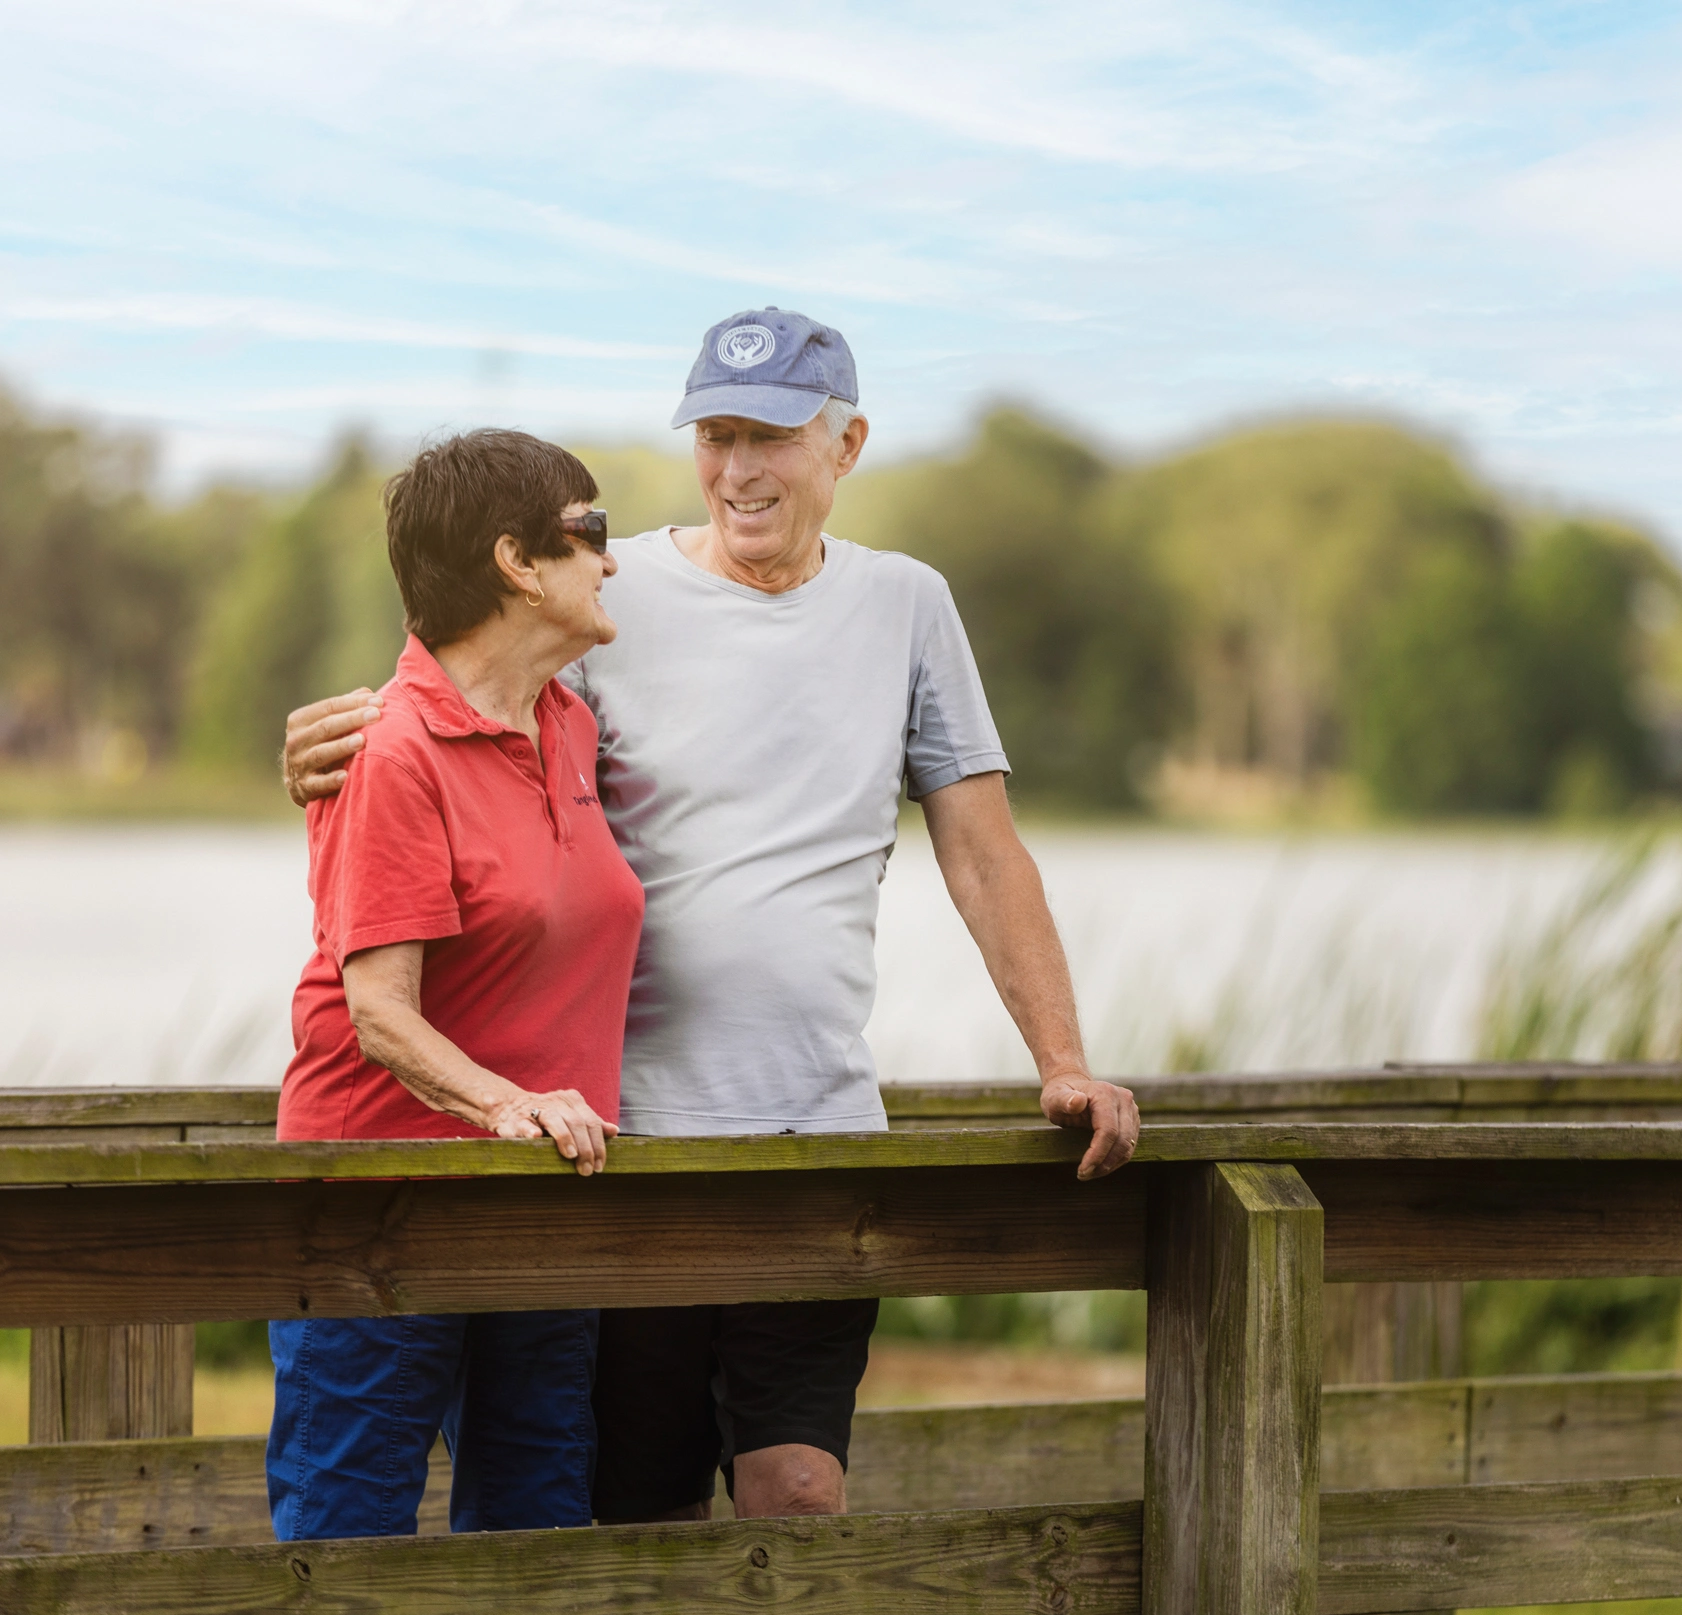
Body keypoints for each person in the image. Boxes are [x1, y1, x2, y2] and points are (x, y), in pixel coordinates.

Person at [281, 308, 1141, 1525]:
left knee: (797, 1494)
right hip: (628, 1153)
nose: (738, 469)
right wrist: (321, 752)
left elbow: (985, 854)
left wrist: (1063, 1063)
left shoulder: (906, 606)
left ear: (844, 445)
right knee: (630, 1520)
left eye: (772, 436)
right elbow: (447, 713)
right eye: (715, 435)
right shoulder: (602, 599)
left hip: (818, 1142)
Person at [267, 428, 643, 1541]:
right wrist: (508, 1105)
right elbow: (378, 1011)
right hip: (381, 1208)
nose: (612, 561)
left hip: (539, 1204)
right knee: (348, 1546)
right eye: (593, 533)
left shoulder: (570, 725)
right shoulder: (391, 750)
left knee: (533, 1535)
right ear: (517, 563)